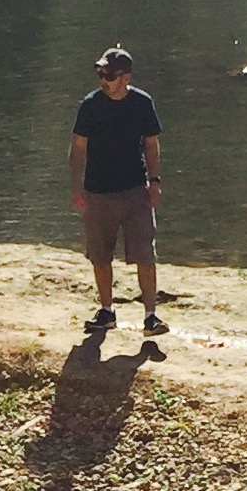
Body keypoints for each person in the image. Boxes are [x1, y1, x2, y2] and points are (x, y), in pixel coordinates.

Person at [69, 44, 163, 332]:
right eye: (100, 74)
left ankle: (150, 316)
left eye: (108, 75)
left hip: (136, 190)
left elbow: (151, 143)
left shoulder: (142, 103)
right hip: (98, 191)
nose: (103, 80)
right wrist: (77, 186)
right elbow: (77, 147)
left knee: (145, 254)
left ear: (125, 77)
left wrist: (155, 181)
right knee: (100, 255)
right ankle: (107, 311)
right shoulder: (90, 105)